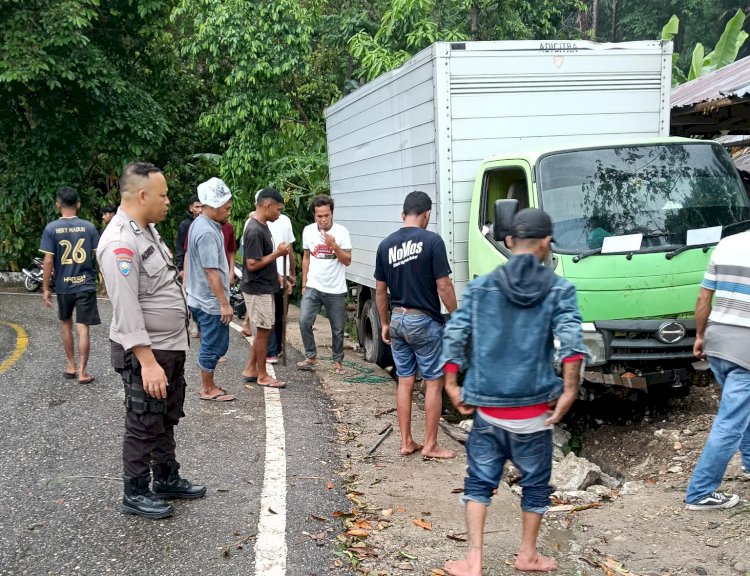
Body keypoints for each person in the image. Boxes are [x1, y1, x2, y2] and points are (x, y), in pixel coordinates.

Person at [440, 208, 585, 575]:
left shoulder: (480, 287)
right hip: (536, 412)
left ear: (508, 242)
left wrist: (451, 383)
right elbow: (571, 341)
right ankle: (527, 556)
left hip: (488, 411)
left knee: (479, 482)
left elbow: (456, 334)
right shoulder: (559, 289)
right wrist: (569, 389)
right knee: (536, 486)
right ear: (547, 244)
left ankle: (473, 560)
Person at [98, 161, 205, 519]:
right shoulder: (120, 242)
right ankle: (135, 491)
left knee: (165, 415)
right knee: (144, 418)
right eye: (163, 195)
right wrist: (147, 362)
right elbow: (126, 308)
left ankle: (166, 477)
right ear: (142, 196)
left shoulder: (147, 230)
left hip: (169, 344)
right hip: (149, 350)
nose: (169, 201)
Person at [374, 190, 457, 458]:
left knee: (405, 381)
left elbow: (379, 291)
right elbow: (443, 285)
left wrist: (385, 323)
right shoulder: (432, 241)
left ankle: (406, 442)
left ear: (403, 214)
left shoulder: (386, 245)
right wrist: (456, 315)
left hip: (397, 317)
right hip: (424, 321)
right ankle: (430, 445)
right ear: (427, 215)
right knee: (433, 381)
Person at [684, 227, 750, 511]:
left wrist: (700, 336)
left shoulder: (727, 244)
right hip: (746, 348)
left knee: (741, 407)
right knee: (731, 421)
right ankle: (700, 493)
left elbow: (703, 298)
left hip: (718, 339)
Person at [40, 186, 101, 384]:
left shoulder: (51, 229)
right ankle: (83, 372)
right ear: (78, 204)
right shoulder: (89, 227)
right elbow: (98, 255)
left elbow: (48, 261)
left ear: (58, 204)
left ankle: (71, 365)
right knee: (82, 327)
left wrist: (46, 288)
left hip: (64, 285)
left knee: (66, 324)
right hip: (85, 284)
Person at [184, 177, 236, 402]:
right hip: (208, 300)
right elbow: (211, 272)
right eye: (226, 208)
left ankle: (210, 383)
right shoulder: (206, 232)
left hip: (201, 296)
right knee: (214, 344)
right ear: (212, 206)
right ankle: (206, 388)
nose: (228, 212)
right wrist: (224, 304)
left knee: (214, 342)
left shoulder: (204, 224)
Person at [241, 187, 292, 388]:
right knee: (263, 331)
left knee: (264, 330)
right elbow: (252, 264)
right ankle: (262, 375)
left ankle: (250, 368)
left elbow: (264, 258)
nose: (279, 214)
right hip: (257, 288)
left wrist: (278, 276)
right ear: (267, 205)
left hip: (265, 285)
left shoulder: (263, 226)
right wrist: (278, 254)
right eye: (278, 209)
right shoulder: (254, 229)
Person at [297, 195, 352, 374]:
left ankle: (338, 361)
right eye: (319, 216)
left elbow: (347, 261)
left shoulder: (342, 232)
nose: (322, 219)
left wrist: (334, 246)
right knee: (304, 320)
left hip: (335, 288)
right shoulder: (308, 231)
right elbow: (306, 257)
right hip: (314, 285)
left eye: (326, 215)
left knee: (337, 328)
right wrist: (304, 284)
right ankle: (311, 355)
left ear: (332, 214)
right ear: (314, 215)